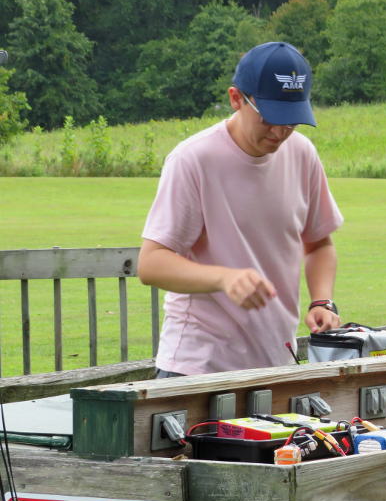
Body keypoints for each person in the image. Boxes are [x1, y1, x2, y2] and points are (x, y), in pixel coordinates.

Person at [139, 41, 344, 378]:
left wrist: (322, 301)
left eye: (291, 120)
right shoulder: (193, 159)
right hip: (197, 367)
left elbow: (319, 243)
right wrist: (225, 278)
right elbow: (151, 263)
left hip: (275, 362)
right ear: (236, 98)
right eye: (270, 117)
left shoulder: (302, 153)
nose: (280, 132)